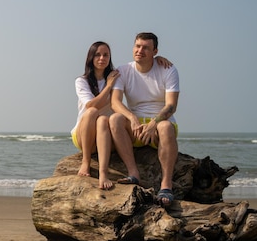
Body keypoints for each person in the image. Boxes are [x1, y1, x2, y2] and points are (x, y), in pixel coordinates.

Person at [71, 41, 172, 190]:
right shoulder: (82, 81)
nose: (102, 58)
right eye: (97, 55)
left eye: (106, 55)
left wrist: (156, 59)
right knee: (93, 112)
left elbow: (139, 65)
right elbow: (91, 105)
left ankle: (103, 173)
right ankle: (85, 162)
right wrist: (108, 86)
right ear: (90, 58)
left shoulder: (115, 75)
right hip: (84, 135)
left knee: (104, 120)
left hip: (105, 135)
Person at [109, 32, 180, 207]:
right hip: (136, 128)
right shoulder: (124, 70)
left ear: (155, 51)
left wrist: (153, 124)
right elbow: (115, 102)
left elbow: (171, 106)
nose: (140, 50)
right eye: (137, 46)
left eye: (146, 48)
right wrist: (132, 118)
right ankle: (133, 174)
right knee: (115, 119)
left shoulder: (168, 69)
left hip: (160, 124)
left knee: (165, 127)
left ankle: (166, 185)